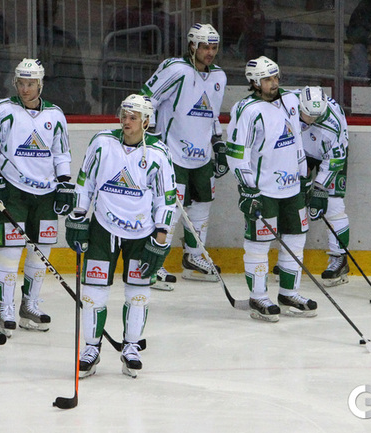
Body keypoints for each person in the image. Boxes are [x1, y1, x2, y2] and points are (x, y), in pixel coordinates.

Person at [65, 94, 176, 378]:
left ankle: (131, 347)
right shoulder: (103, 143)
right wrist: (78, 215)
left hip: (141, 234)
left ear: (146, 122)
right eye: (124, 116)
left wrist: (160, 238)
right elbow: (85, 181)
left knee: (138, 293)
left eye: (133, 118)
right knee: (93, 292)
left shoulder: (158, 154)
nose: (126, 122)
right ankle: (91, 349)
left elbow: (166, 199)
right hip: (103, 229)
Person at [0, 58, 74, 337]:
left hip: (46, 194)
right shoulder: (2, 110)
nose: (25, 89)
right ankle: (6, 308)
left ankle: (29, 305)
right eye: (21, 83)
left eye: (31, 84)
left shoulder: (55, 114)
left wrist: (64, 183)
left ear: (40, 84)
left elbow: (61, 153)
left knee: (40, 252)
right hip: (12, 190)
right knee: (10, 251)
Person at [225, 56, 318, 322]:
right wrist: (248, 189)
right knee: (259, 244)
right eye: (267, 79)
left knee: (296, 239)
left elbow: (297, 140)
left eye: (276, 77)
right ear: (255, 82)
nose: (274, 83)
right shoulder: (246, 110)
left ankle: (289, 293)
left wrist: (304, 176)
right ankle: (258, 297)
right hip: (263, 190)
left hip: (292, 188)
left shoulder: (290, 100)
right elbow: (236, 154)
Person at [141, 23, 227, 290]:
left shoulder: (219, 77)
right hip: (172, 155)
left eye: (214, 47)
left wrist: (218, 143)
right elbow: (146, 99)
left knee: (202, 207)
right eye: (205, 47)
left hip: (202, 157)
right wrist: (150, 139)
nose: (210, 52)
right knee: (169, 211)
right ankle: (152, 264)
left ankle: (193, 257)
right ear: (192, 45)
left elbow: (212, 114)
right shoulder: (175, 69)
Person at [297, 86, 351, 286]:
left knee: (333, 204)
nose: (312, 120)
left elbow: (334, 161)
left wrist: (319, 188)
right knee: (293, 198)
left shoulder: (331, 126)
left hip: (331, 155)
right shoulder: (288, 101)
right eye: (308, 115)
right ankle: (290, 256)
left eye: (317, 116)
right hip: (301, 151)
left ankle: (339, 258)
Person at [36, 0, 90, 114]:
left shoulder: (66, 40)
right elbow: (76, 83)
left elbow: (76, 81)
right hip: (61, 103)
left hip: (59, 103)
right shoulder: (66, 40)